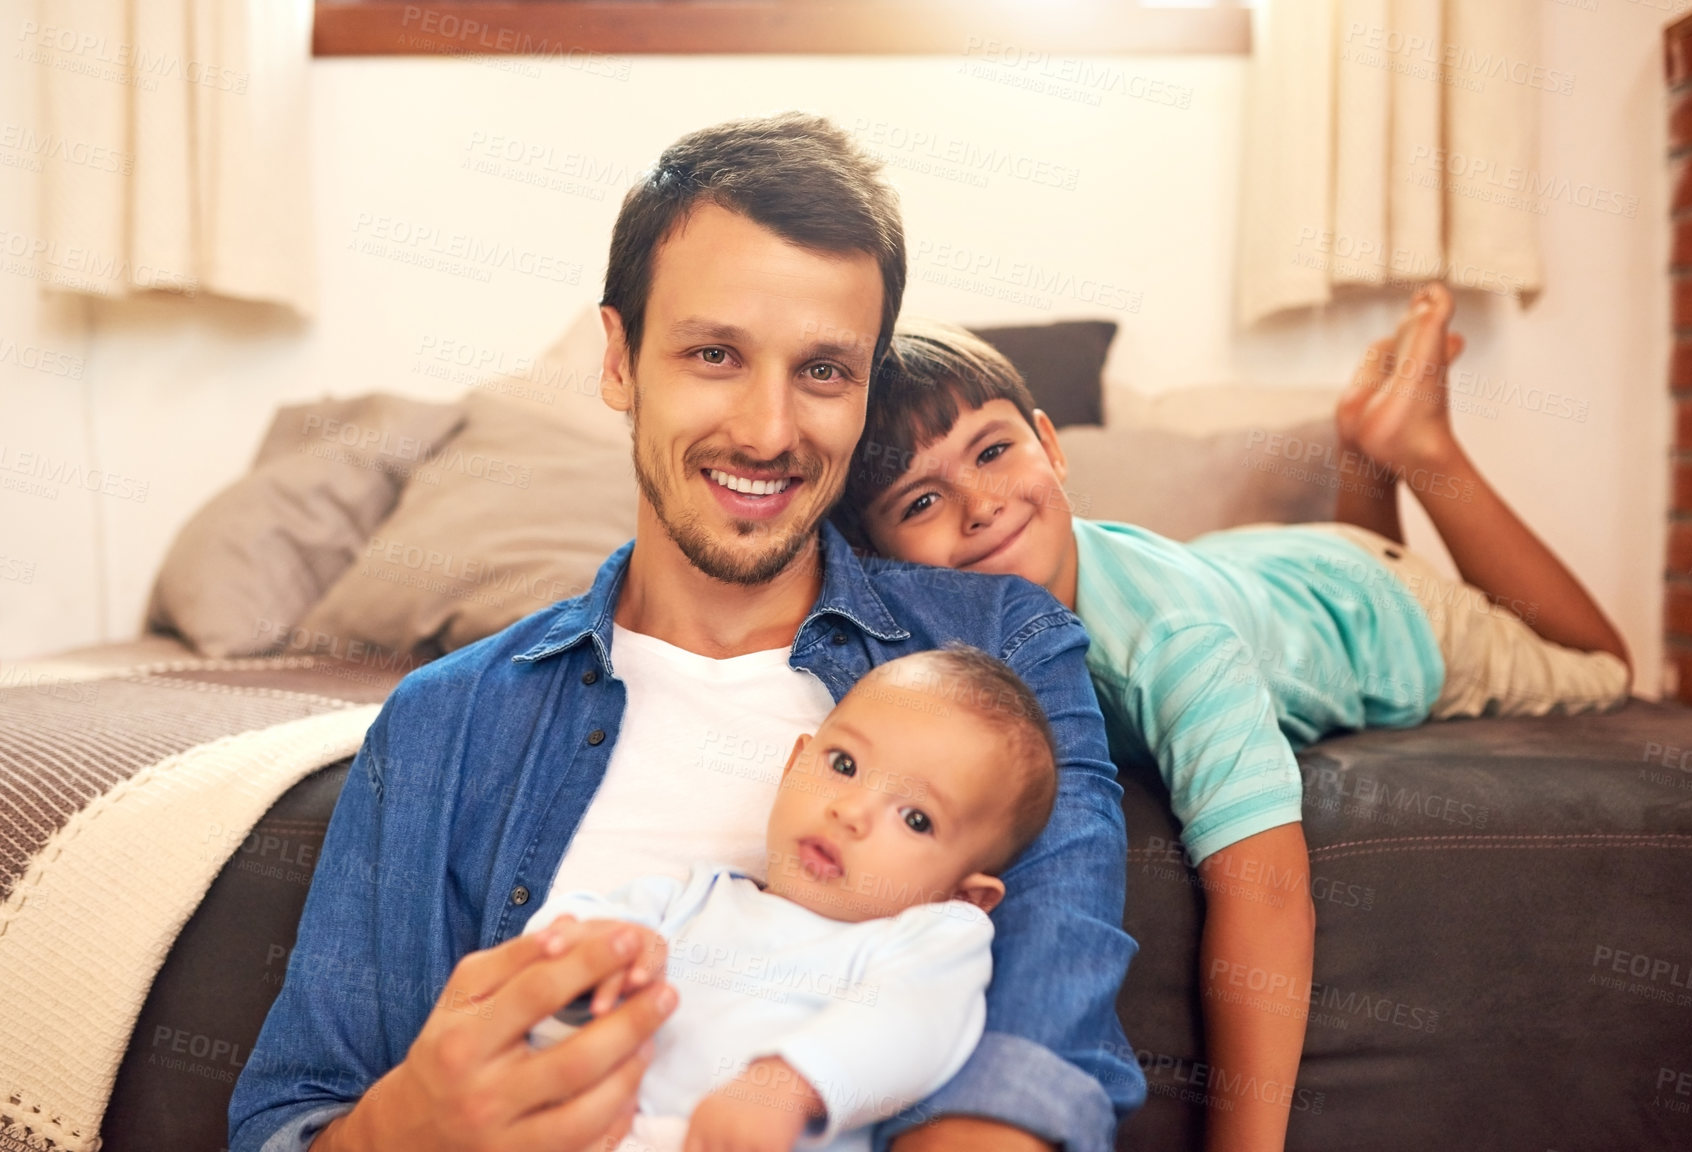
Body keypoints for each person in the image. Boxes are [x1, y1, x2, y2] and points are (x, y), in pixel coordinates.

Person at [229, 113, 1144, 1152]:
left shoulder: (999, 653)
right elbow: (290, 1114)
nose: (766, 431)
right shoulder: (445, 723)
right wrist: (402, 1129)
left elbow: (1042, 1032)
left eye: (824, 371)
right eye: (715, 353)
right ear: (618, 360)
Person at [829, 287, 1629, 1152]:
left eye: (992, 451)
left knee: (1602, 663)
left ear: (1050, 448)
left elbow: (1270, 894)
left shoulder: (1175, 649)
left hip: (1393, 614)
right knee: (1330, 570)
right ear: (876, 561)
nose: (979, 505)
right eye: (919, 501)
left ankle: (1418, 445)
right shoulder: (925, 640)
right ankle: (1366, 450)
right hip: (1265, 565)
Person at [523, 645, 1058, 1152]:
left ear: (965, 894)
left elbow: (914, 1025)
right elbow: (556, 941)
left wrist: (791, 1081)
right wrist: (598, 953)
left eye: (915, 819)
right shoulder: (689, 899)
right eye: (844, 765)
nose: (850, 812)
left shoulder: (928, 938)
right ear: (793, 765)